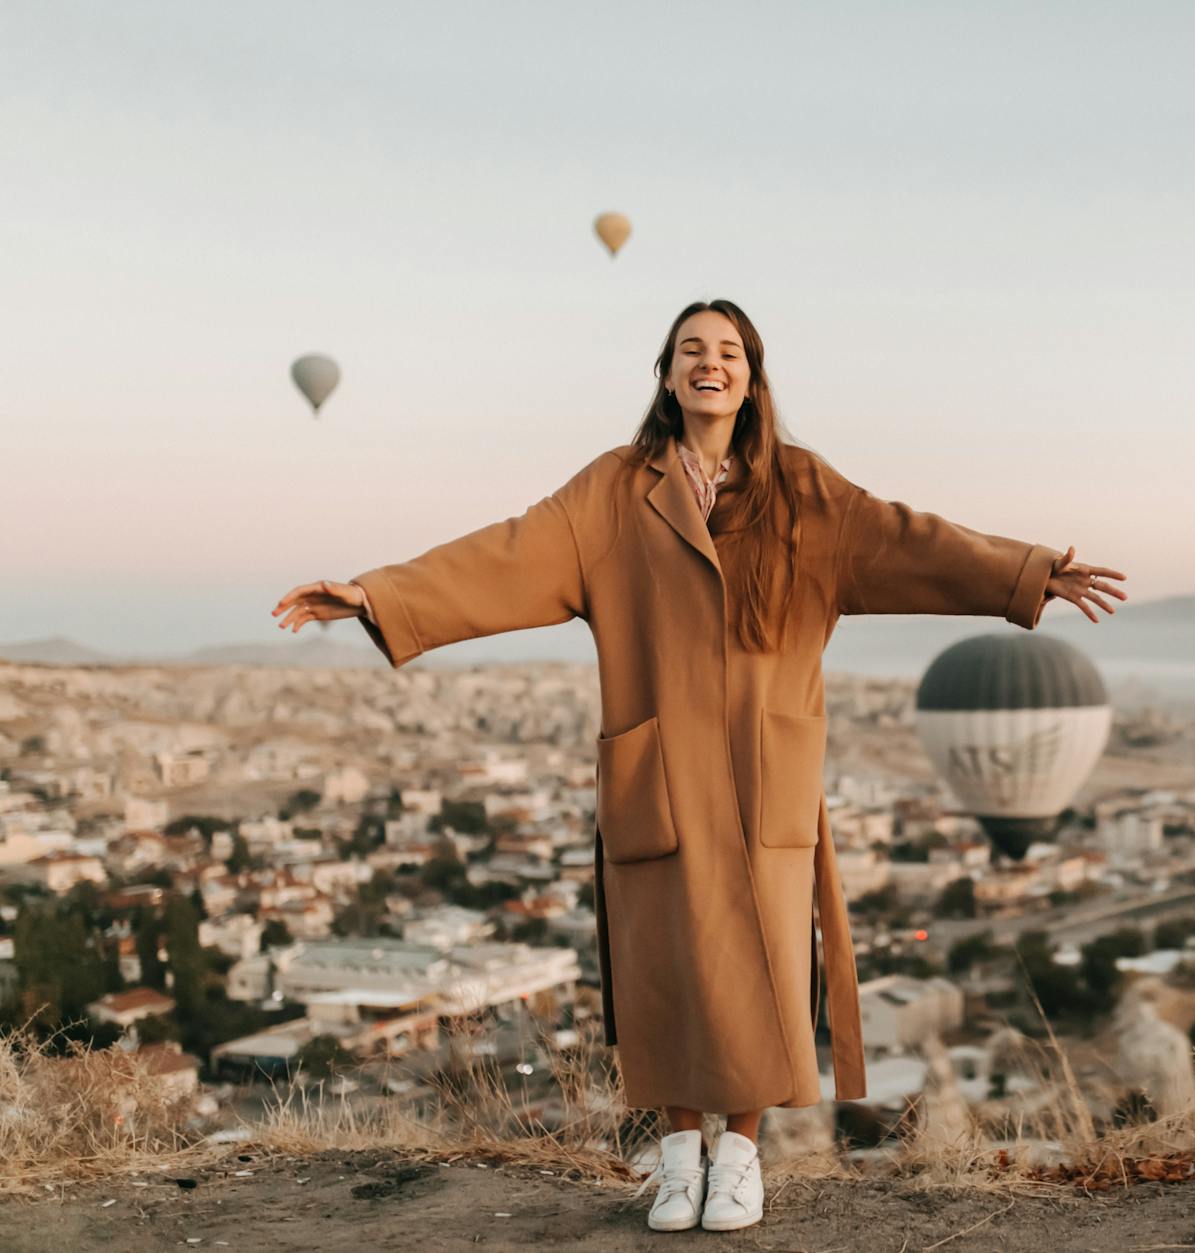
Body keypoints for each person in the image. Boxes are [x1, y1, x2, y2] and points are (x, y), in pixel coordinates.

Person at [270, 298, 1127, 1233]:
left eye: (727, 351)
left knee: (759, 962)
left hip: (767, 770)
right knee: (670, 964)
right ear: (668, 374)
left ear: (753, 377)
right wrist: (377, 595)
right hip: (660, 769)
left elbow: (907, 539)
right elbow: (509, 554)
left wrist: (1023, 572)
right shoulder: (611, 492)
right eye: (691, 350)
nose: (709, 364)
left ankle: (743, 1157)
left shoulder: (805, 493)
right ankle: (681, 1156)